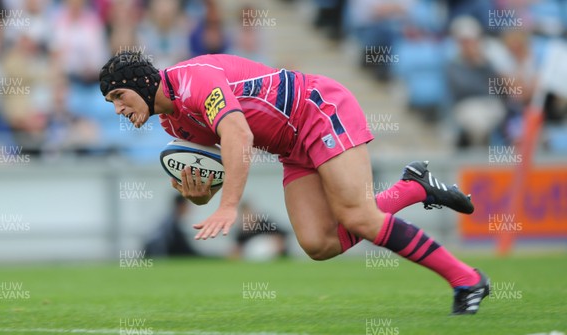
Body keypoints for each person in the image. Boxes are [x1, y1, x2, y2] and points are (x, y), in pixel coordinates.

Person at [99, 51, 489, 315]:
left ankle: (467, 280)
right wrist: (201, 197)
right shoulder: (172, 122)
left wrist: (230, 206)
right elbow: (218, 173)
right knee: (317, 244)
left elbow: (238, 136)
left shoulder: (194, 80)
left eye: (119, 95)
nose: (118, 108)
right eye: (110, 103)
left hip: (318, 108)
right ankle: (414, 188)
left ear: (141, 81)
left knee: (357, 216)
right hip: (290, 146)